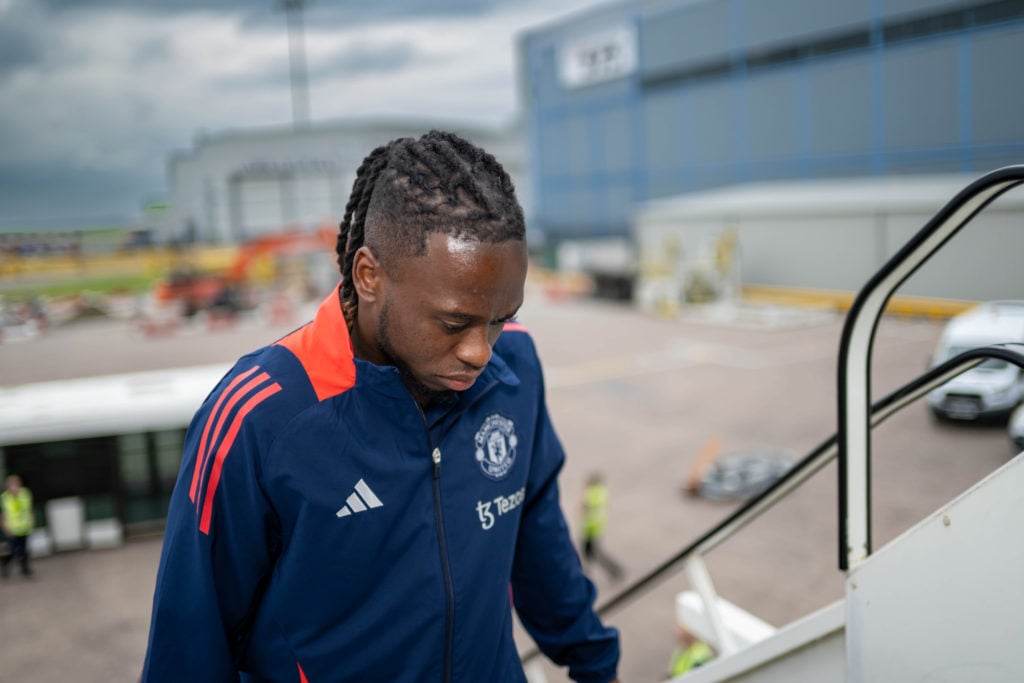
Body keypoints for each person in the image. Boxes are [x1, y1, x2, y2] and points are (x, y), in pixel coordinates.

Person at [143, 131, 620, 682]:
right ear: (369, 275)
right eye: (453, 322)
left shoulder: (517, 372)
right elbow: (190, 643)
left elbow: (538, 540)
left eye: (500, 318)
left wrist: (595, 663)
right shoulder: (261, 417)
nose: (479, 352)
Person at [580, 472, 624, 581]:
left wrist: (583, 506)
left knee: (593, 554)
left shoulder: (592, 493)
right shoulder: (601, 492)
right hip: (596, 526)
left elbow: (587, 507)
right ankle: (614, 570)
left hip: (591, 527)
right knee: (591, 554)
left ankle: (615, 570)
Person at [1, 474, 34, 577]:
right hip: (12, 529)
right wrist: (4, 527)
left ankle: (25, 569)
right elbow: (2, 514)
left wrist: (31, 521)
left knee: (24, 550)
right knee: (13, 550)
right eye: (12, 484)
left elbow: (29, 509)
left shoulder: (25, 494)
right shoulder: (4, 498)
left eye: (16, 484)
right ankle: (5, 564)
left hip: (24, 528)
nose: (15, 486)